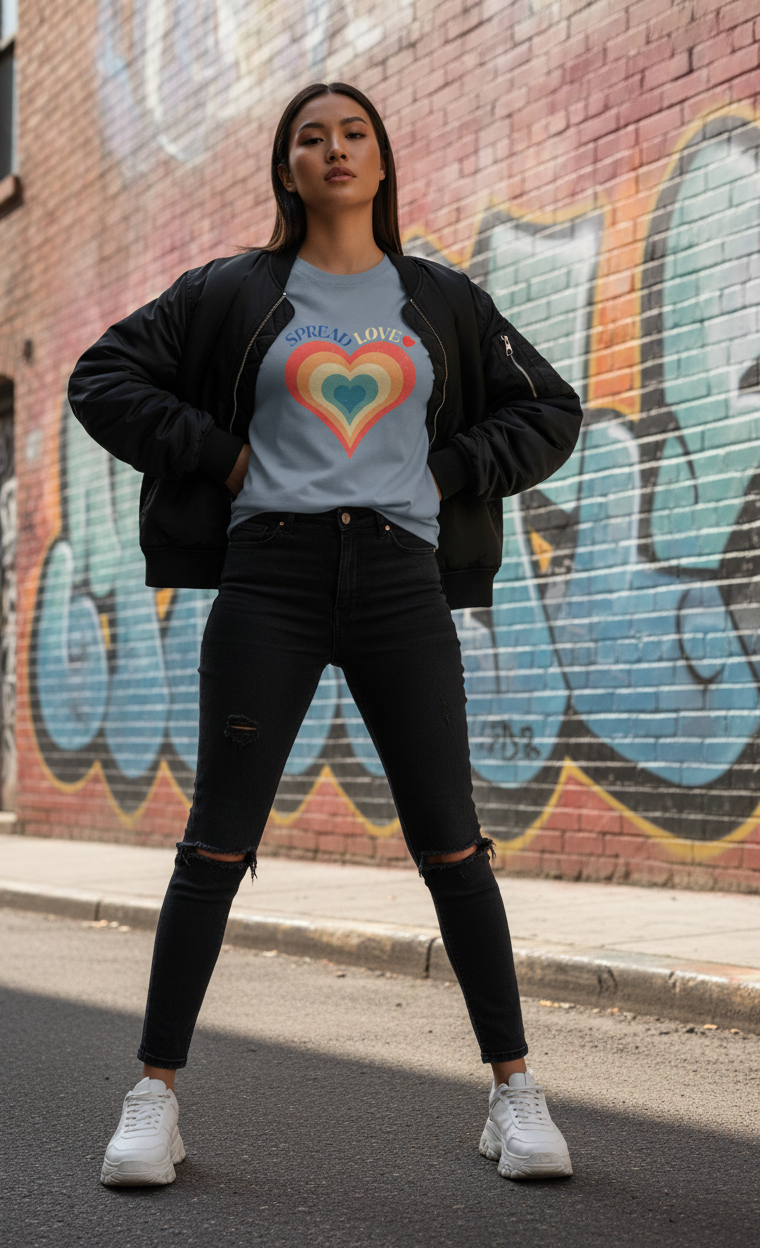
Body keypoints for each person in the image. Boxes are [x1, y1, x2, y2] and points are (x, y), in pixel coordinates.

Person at [69, 82, 583, 1188]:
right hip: (273, 578)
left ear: (382, 161)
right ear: (286, 169)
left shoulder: (439, 298)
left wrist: (443, 471)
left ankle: (515, 1093)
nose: (334, 149)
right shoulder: (231, 292)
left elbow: (549, 408)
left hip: (401, 579)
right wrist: (224, 458)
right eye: (311, 138)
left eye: (353, 133)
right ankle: (152, 1100)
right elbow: (100, 377)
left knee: (451, 842)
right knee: (216, 844)